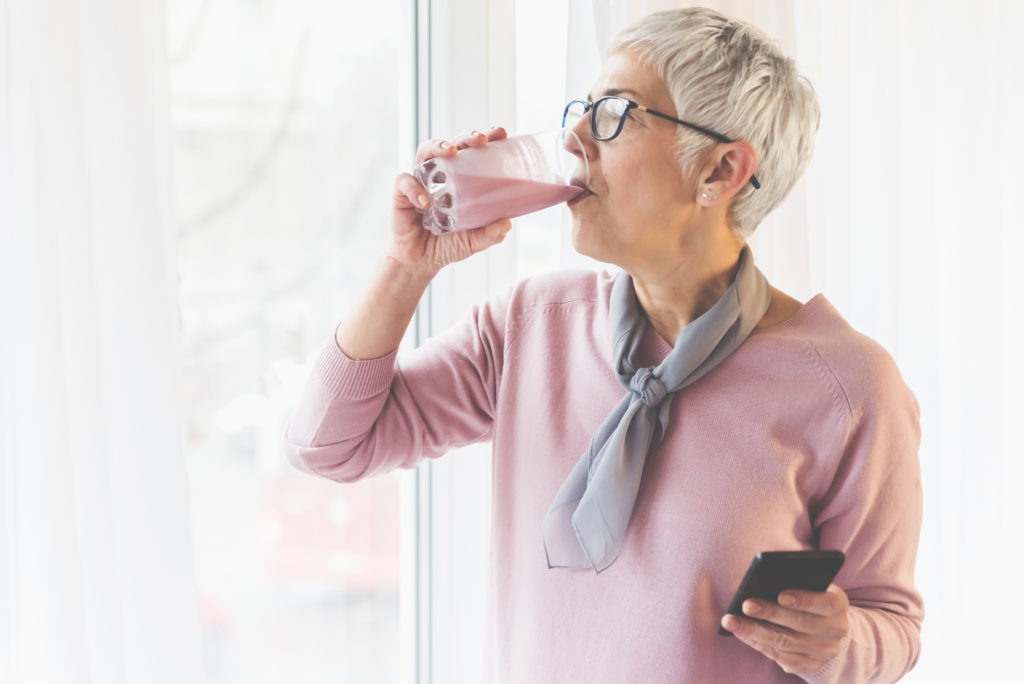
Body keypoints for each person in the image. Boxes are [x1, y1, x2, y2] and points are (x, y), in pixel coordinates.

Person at [285, 7, 923, 683]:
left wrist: (843, 640)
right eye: (583, 108)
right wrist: (406, 267)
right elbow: (326, 445)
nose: (574, 137)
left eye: (615, 113)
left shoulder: (849, 389)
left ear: (721, 170)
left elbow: (892, 621)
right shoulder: (530, 325)